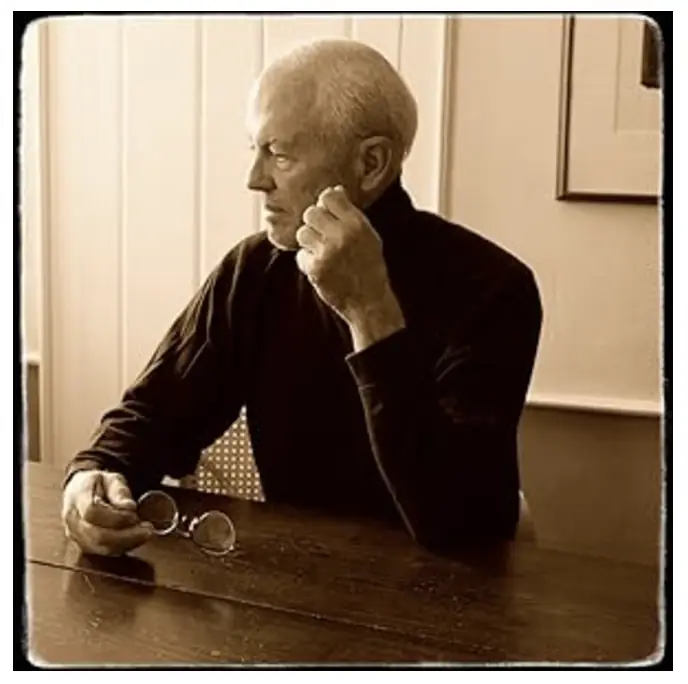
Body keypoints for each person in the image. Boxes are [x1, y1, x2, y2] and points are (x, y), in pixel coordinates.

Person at [61, 38, 542, 557]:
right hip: (297, 585)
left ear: (371, 163)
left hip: (450, 590)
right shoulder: (254, 271)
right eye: (254, 149)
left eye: (280, 155)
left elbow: (458, 524)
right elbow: (155, 414)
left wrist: (370, 310)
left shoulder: (495, 288)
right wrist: (96, 474)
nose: (254, 180)